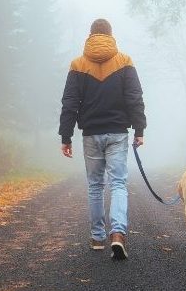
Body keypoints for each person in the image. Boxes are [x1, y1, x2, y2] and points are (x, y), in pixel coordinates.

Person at [59, 18, 146, 260]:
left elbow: (70, 103)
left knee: (95, 185)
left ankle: (97, 237)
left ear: (91, 35)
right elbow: (134, 97)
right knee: (118, 183)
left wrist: (66, 136)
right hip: (118, 132)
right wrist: (139, 129)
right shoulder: (124, 61)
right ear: (110, 34)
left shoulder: (78, 64)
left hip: (91, 133)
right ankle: (117, 234)